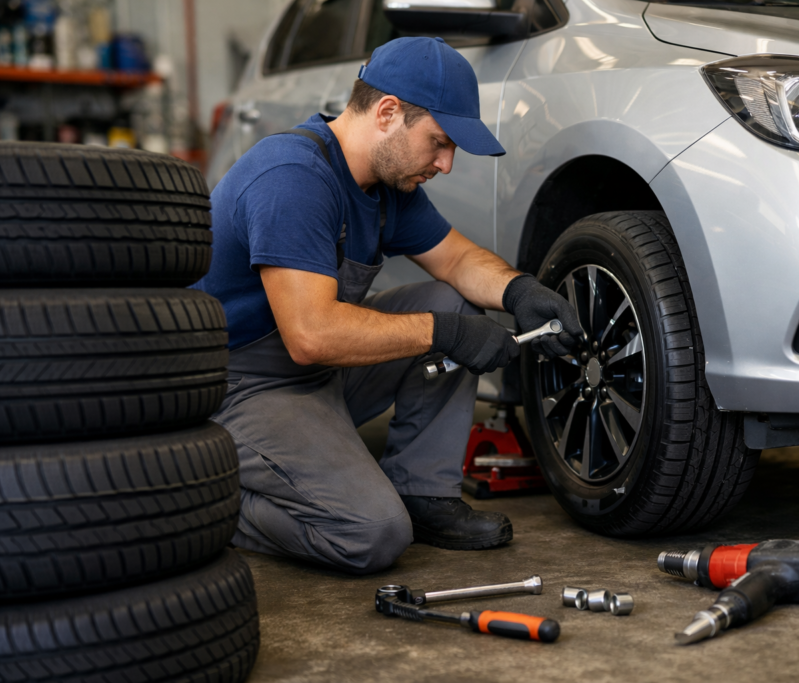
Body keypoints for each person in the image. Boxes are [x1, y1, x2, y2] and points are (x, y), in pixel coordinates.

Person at [194, 36, 582, 574]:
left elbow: (457, 262)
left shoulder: (384, 187)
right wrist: (442, 334)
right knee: (370, 533)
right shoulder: (293, 178)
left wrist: (522, 291)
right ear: (387, 112)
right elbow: (310, 335)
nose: (446, 164)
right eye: (439, 142)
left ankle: (423, 492)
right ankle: (203, 502)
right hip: (242, 390)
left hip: (317, 375)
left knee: (459, 299)